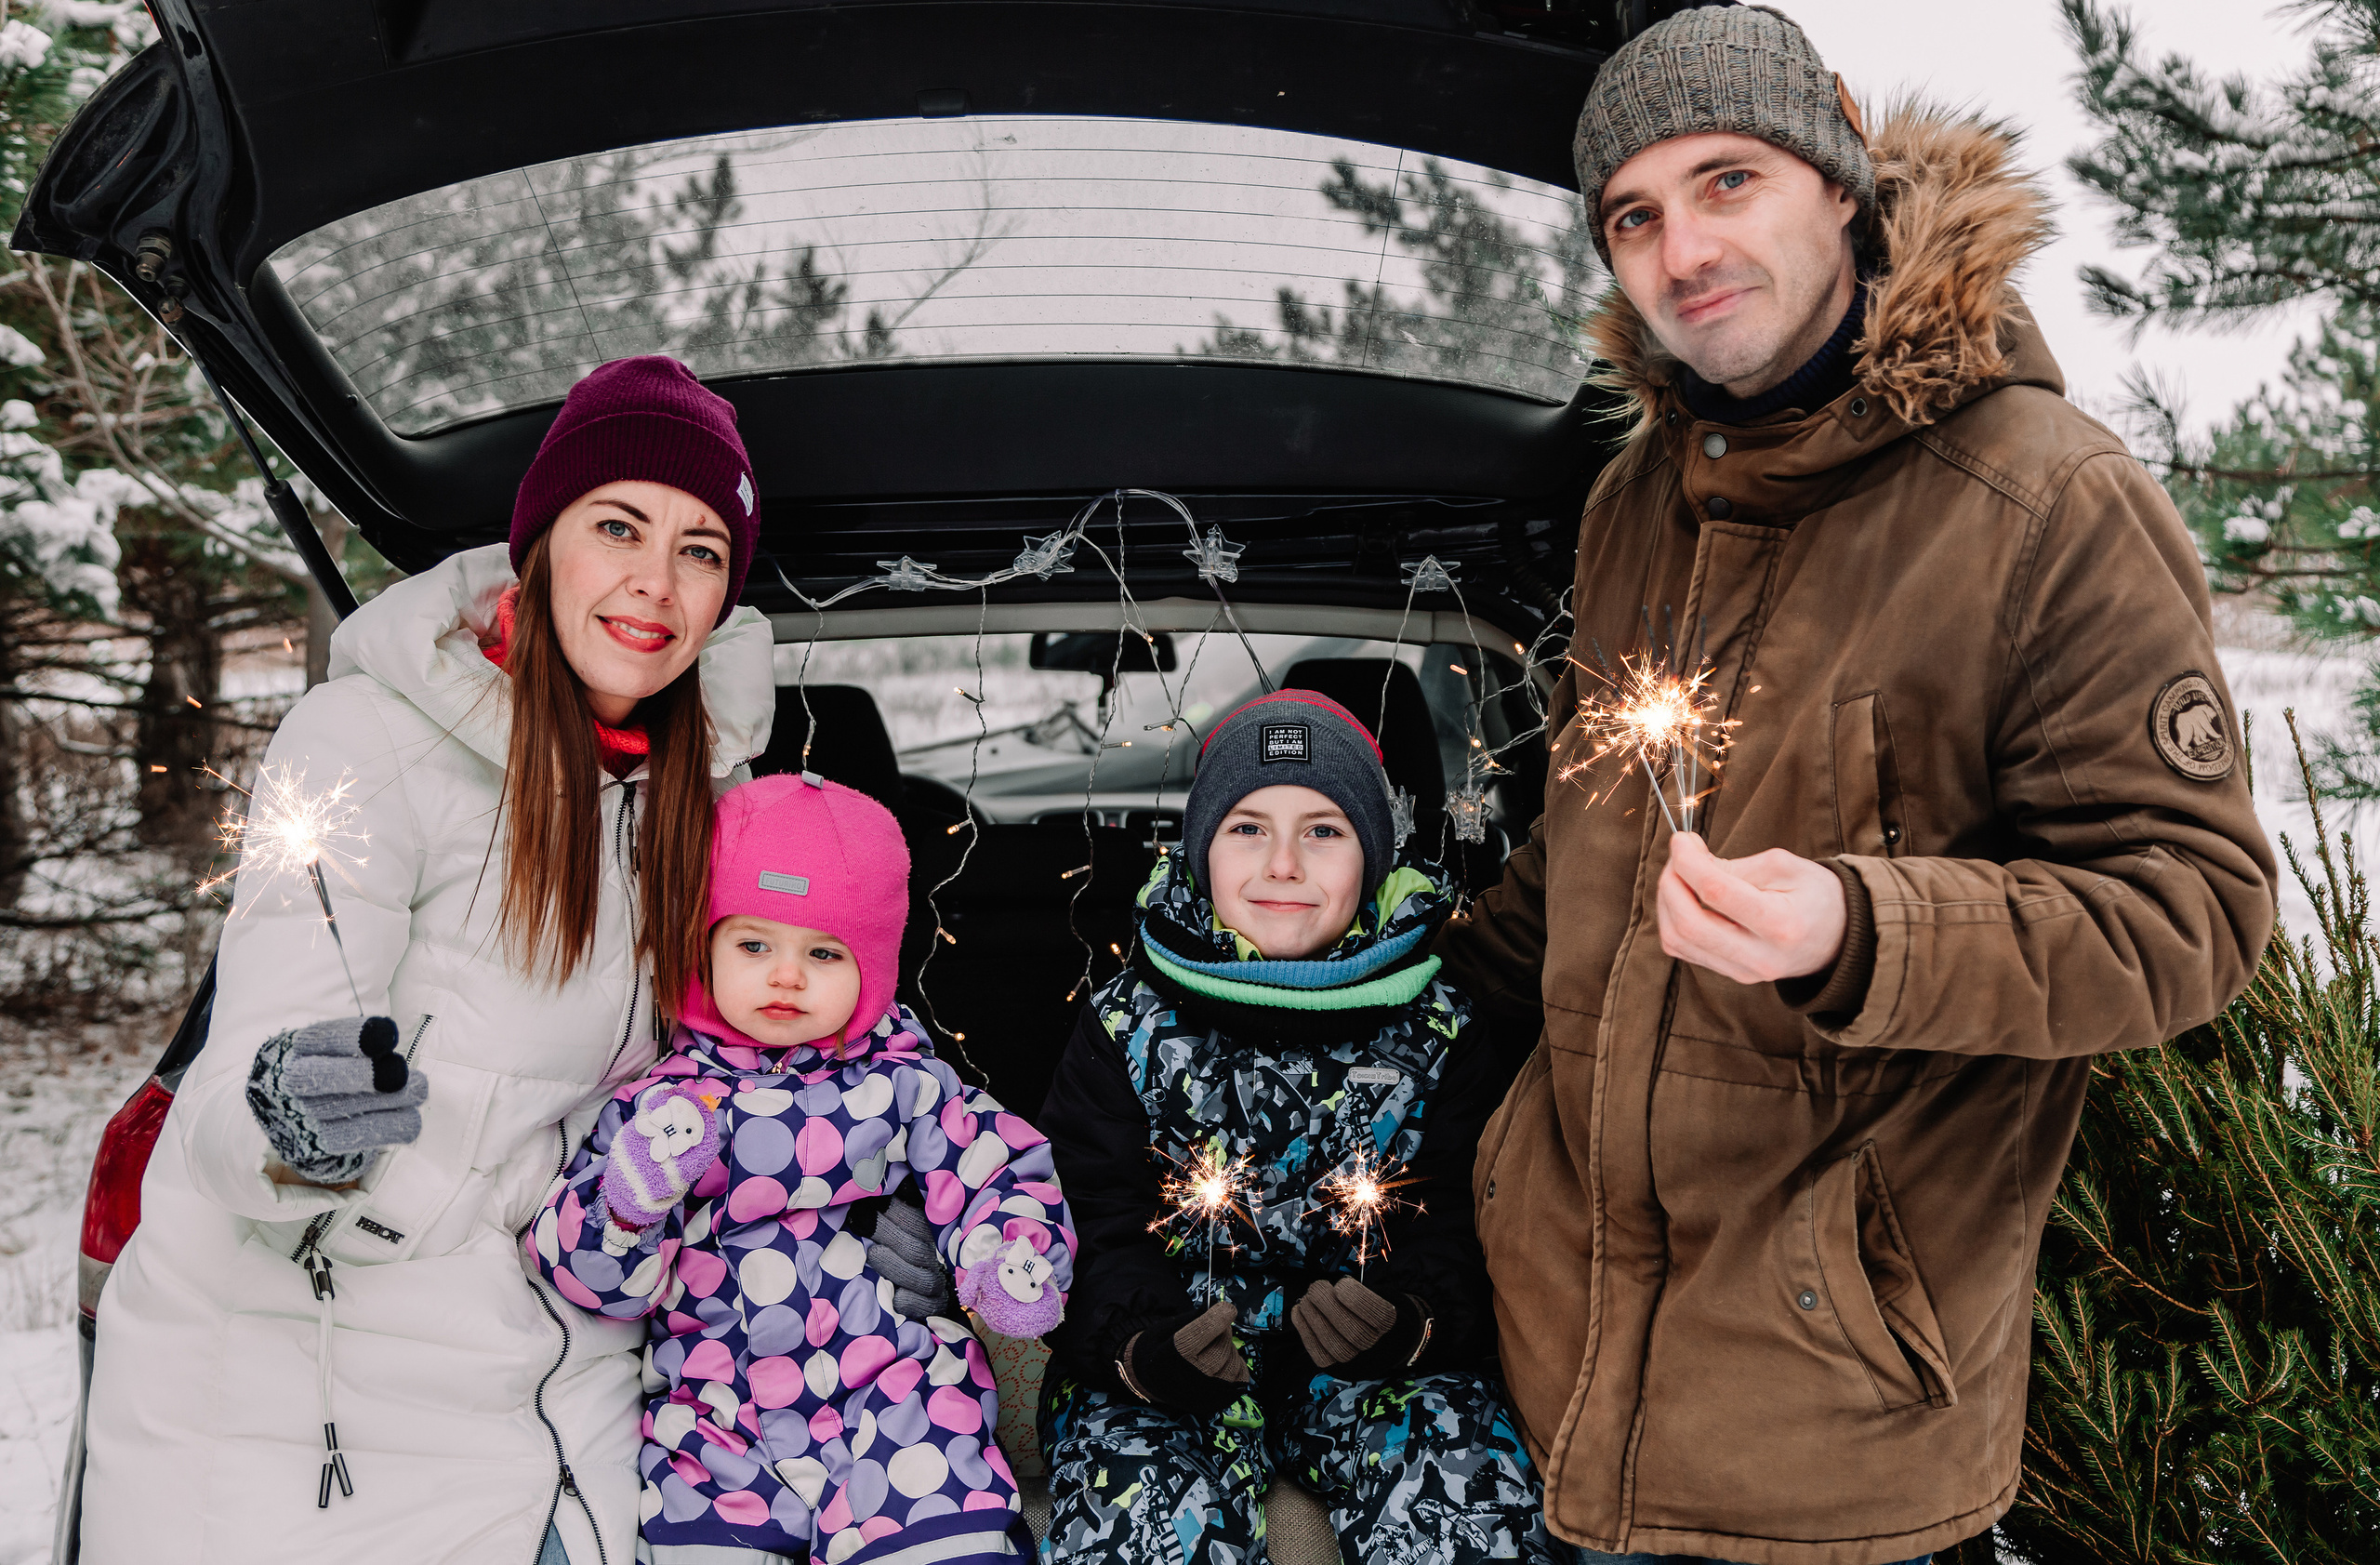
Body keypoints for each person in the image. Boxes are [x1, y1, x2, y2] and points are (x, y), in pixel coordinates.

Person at [1434, 7, 2280, 1565]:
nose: (1684, 250)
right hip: (1554, 1370)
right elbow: (1585, 844)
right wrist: (1413, 1004)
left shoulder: (2047, 499)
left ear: (1835, 168)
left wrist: (1858, 927)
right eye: (1634, 216)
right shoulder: (1634, 502)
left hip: (1834, 1425)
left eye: (1727, 181)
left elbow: (2192, 916)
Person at [77, 355, 945, 1565]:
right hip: (300, 1387)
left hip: (568, 1366)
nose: (656, 581)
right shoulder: (359, 741)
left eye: (700, 550)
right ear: (538, 544)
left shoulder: (710, 799)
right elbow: (237, 1095)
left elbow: (763, 1070)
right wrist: (297, 1117)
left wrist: (874, 1204)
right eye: (619, 526)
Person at [1038, 689, 1558, 1564]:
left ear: (1373, 856)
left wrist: (1412, 1321)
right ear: (1201, 852)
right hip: (1164, 1373)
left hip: (1382, 1372)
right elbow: (1090, 1215)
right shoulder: (1126, 1022)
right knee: (1136, 1512)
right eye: (1247, 828)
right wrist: (1141, 1347)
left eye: (1323, 830)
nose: (1283, 864)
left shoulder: (1442, 1024)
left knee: (1466, 1488)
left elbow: (1470, 1219)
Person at [528, 771, 1074, 1565]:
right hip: (721, 1416)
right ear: (704, 948)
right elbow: (591, 1279)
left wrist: (1009, 1252)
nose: (786, 975)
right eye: (754, 945)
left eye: (823, 951)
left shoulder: (906, 1083)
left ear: (871, 967)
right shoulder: (664, 1107)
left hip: (892, 1392)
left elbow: (997, 1166)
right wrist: (628, 1207)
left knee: (944, 1518)